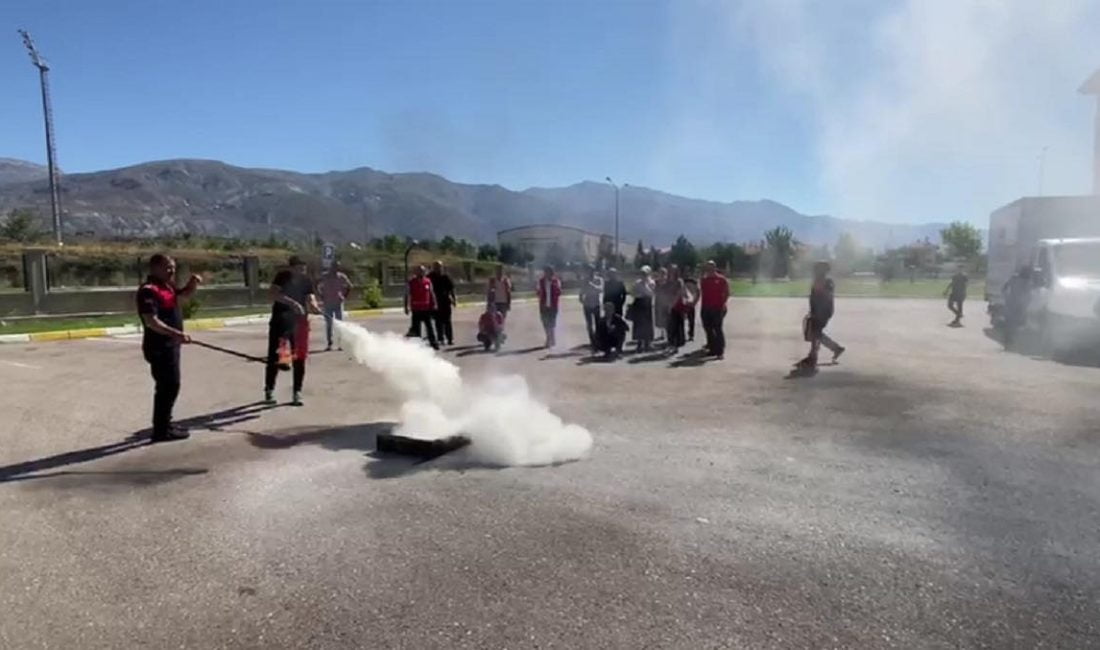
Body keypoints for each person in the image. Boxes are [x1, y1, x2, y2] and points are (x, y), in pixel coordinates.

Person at [136, 253, 201, 442]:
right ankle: (161, 430)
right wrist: (176, 334)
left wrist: (192, 284)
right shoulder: (148, 290)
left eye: (173, 266)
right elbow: (151, 321)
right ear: (155, 268)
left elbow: (181, 299)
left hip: (170, 345)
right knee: (168, 386)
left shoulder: (167, 287)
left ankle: (165, 424)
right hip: (159, 346)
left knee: (170, 386)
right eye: (167, 267)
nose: (171, 270)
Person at [265, 255, 320, 406]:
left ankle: (297, 392)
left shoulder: (306, 280)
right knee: (274, 358)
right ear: (291, 267)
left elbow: (310, 297)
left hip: (299, 323)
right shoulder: (282, 277)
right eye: (299, 267)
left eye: (303, 268)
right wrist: (293, 303)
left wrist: (314, 306)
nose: (302, 270)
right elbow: (272, 294)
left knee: (300, 358)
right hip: (280, 321)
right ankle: (269, 390)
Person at [797, 261, 844, 369]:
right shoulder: (821, 281)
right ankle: (834, 349)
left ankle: (813, 357)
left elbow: (825, 297)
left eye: (817, 269)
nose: (814, 271)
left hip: (822, 312)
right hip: (819, 311)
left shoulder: (826, 281)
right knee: (816, 333)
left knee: (815, 333)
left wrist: (818, 312)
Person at [699, 260, 730, 359]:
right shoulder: (704, 280)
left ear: (715, 268)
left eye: (711, 267)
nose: (709, 269)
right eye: (708, 267)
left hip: (717, 308)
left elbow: (727, 292)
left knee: (717, 328)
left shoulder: (721, 279)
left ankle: (720, 351)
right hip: (706, 307)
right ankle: (712, 348)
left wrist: (723, 304)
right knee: (708, 329)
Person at [318, 263, 352, 351]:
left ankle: (340, 344)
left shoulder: (341, 277)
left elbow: (350, 286)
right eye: (334, 267)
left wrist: (344, 296)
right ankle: (329, 343)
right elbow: (317, 285)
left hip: (338, 303)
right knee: (329, 324)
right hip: (327, 303)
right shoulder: (325, 276)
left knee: (340, 324)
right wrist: (321, 296)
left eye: (337, 268)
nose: (335, 269)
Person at [406, 264, 439, 349]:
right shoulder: (411, 282)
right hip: (416, 309)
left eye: (423, 271)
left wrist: (434, 303)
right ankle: (417, 345)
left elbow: (431, 293)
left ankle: (434, 343)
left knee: (430, 327)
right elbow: (408, 294)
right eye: (419, 270)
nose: (421, 272)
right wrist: (406, 306)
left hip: (426, 308)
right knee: (416, 328)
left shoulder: (428, 281)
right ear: (416, 272)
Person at [1002, 266, 1032, 349]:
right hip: (1019, 305)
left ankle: (1008, 341)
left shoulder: (1014, 279)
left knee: (1010, 323)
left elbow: (1004, 288)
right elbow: (1029, 295)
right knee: (1016, 323)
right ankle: (1011, 341)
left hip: (1012, 303)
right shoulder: (1028, 282)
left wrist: (1006, 297)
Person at [429, 260, 457, 346]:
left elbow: (451, 289)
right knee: (438, 321)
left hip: (445, 301)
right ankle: (440, 338)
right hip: (435, 302)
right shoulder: (430, 277)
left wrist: (454, 299)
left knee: (447, 321)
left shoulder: (446, 277)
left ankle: (449, 339)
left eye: (439, 266)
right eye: (436, 266)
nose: (438, 268)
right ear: (433, 267)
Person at [629, 265, 656, 352]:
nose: (643, 275)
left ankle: (648, 343)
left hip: (647, 305)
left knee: (647, 324)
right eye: (642, 273)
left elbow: (650, 293)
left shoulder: (651, 282)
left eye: (645, 273)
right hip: (639, 304)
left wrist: (645, 285)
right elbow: (633, 292)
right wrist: (639, 293)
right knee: (639, 324)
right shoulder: (637, 282)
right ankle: (639, 343)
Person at [537, 265, 562, 348]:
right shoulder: (541, 281)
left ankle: (551, 338)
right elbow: (537, 292)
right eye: (546, 272)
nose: (547, 274)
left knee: (552, 323)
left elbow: (559, 292)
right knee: (545, 323)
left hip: (553, 305)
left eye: (549, 272)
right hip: (543, 305)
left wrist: (554, 287)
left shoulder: (556, 281)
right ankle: (549, 338)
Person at [579, 266, 604, 347]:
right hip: (587, 304)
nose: (590, 273)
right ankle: (592, 340)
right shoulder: (584, 280)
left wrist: (591, 284)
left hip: (596, 303)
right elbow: (581, 291)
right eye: (589, 271)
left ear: (594, 272)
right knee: (589, 324)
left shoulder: (599, 279)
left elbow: (600, 289)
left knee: (598, 323)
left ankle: (598, 339)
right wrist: (581, 298)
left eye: (592, 271)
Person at [666, 267, 689, 351]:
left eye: (673, 271)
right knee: (670, 326)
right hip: (670, 305)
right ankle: (671, 343)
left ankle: (676, 344)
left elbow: (679, 293)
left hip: (678, 306)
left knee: (677, 325)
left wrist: (672, 304)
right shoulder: (668, 281)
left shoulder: (679, 281)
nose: (671, 272)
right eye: (670, 271)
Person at [682, 270, 700, 342]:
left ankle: (691, 334)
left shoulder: (694, 282)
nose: (687, 274)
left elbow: (698, 292)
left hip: (691, 303)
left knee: (691, 320)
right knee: (681, 320)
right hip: (684, 303)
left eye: (688, 272)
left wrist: (695, 302)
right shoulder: (681, 281)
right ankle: (682, 334)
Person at [653, 268, 670, 340]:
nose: (662, 275)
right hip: (659, 302)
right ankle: (662, 333)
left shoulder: (668, 282)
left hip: (666, 302)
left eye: (663, 273)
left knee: (667, 318)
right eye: (661, 273)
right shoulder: (656, 282)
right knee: (660, 319)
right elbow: (654, 291)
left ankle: (667, 333)